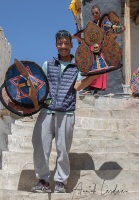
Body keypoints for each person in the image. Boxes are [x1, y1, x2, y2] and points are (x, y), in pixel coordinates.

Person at [31, 30, 99, 193]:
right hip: (47, 111)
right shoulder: (48, 64)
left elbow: (77, 87)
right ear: (56, 45)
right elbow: (40, 85)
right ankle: (43, 181)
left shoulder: (77, 66)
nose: (63, 46)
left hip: (66, 113)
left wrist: (93, 76)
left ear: (71, 45)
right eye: (60, 43)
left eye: (66, 43)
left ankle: (60, 182)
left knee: (63, 149)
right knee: (40, 145)